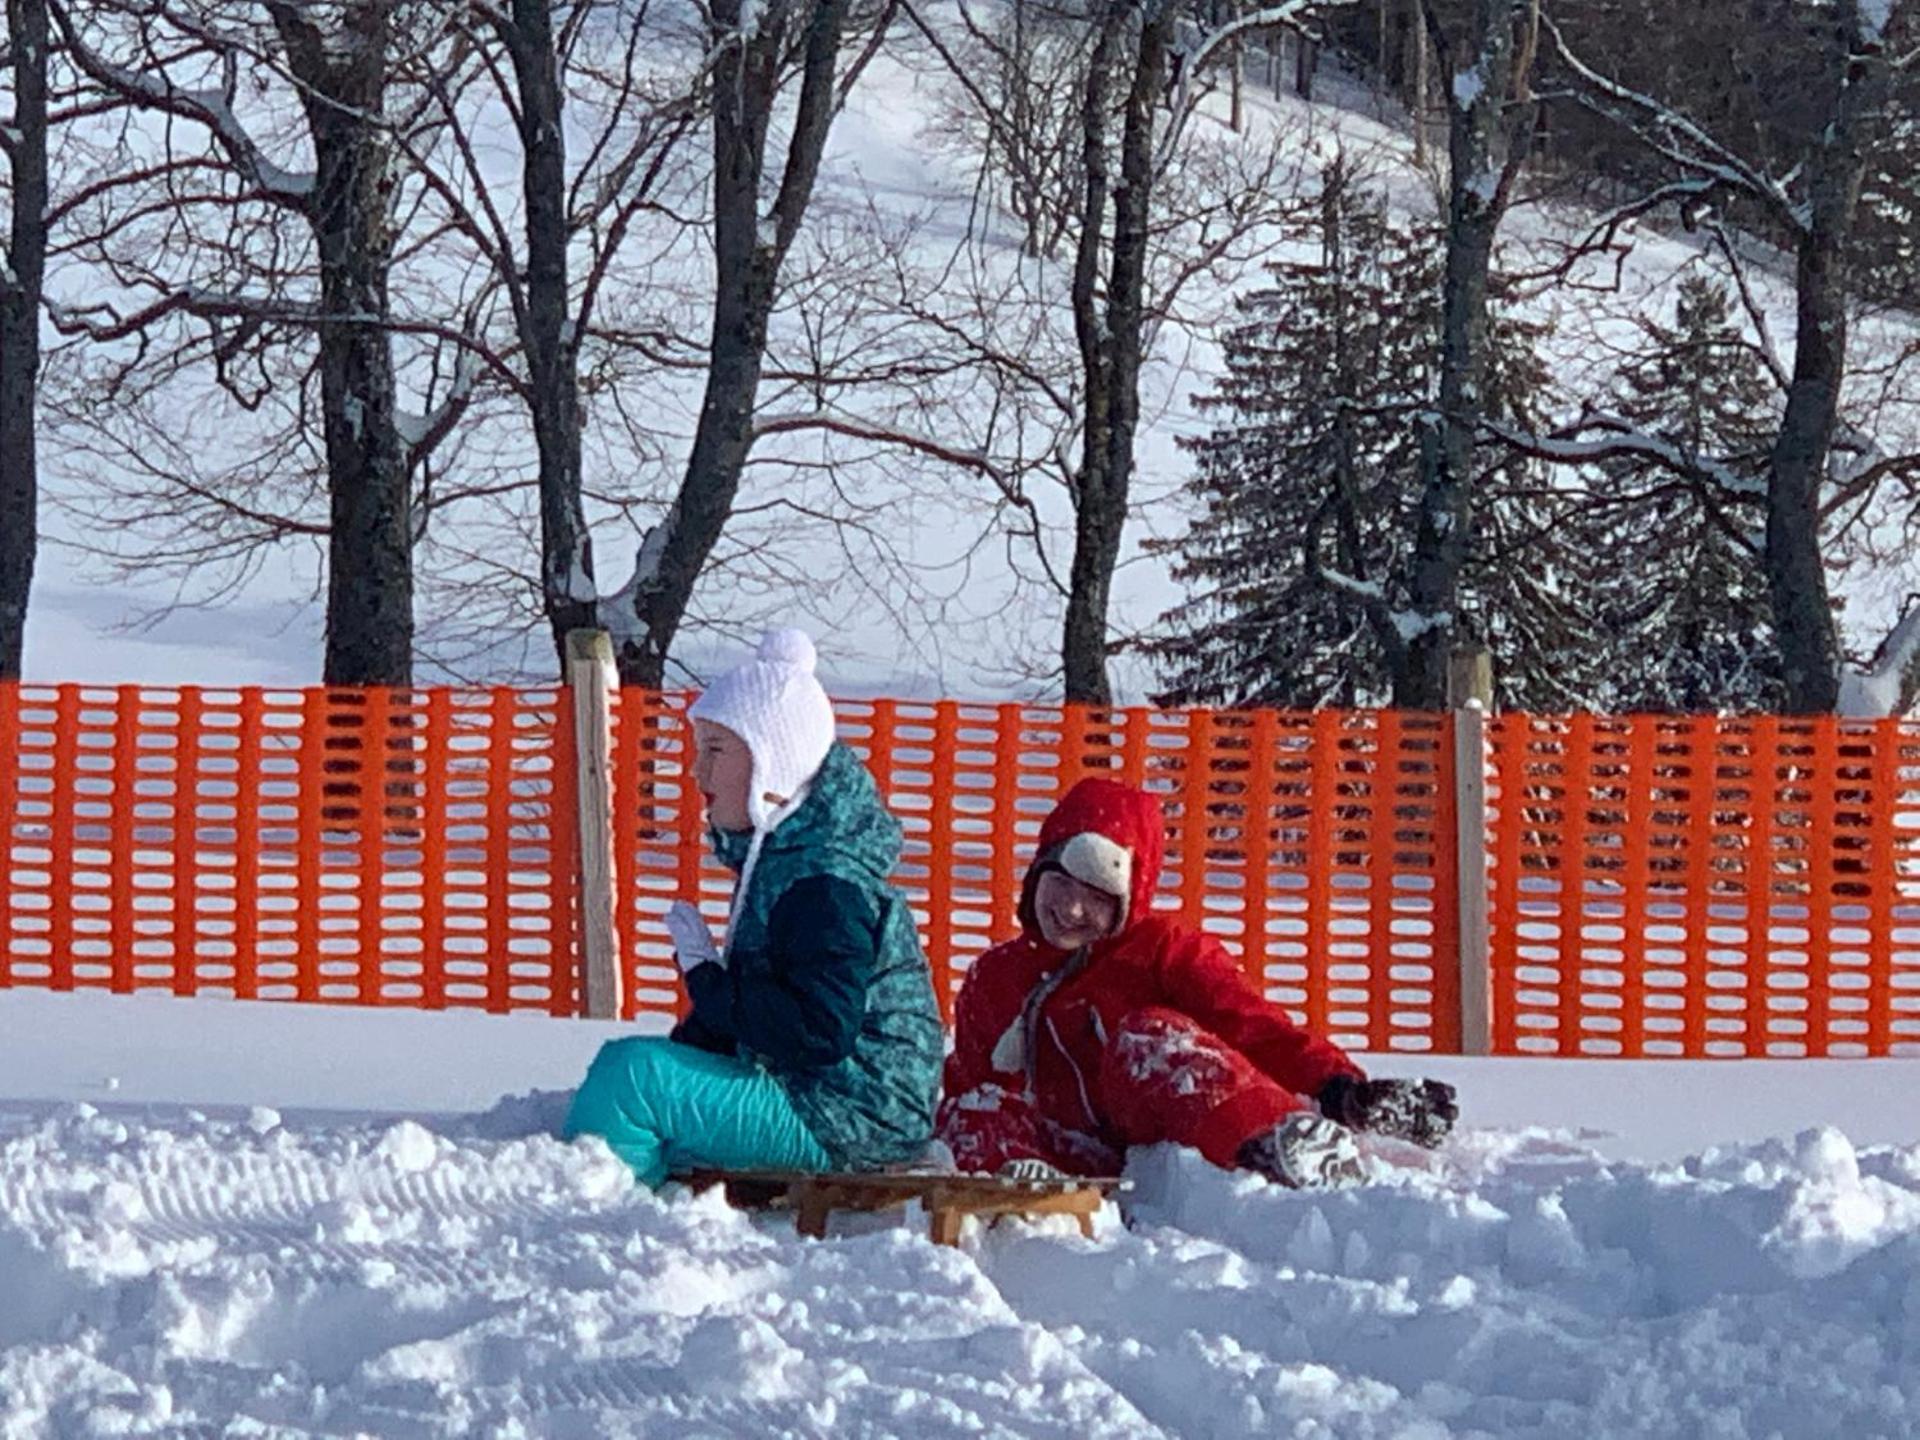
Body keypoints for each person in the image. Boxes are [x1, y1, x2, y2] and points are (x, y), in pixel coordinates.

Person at [938, 776, 1458, 1189]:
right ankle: (1022, 1191)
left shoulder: (1162, 950)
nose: (1072, 909)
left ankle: (1272, 1144)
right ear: (1036, 875)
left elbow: (1253, 1026)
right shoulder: (995, 978)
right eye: (1061, 884)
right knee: (972, 1107)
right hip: (1059, 1151)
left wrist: (1340, 1089)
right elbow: (972, 1083)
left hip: (1159, 1131)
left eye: (1097, 897)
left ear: (1126, 904)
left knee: (1149, 1036)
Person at [565, 629, 944, 1187]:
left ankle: (597, 1213)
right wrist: (696, 1046)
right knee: (642, 1076)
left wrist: (709, 984)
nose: (697, 772)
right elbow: (766, 1007)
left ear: (775, 763)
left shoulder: (824, 884)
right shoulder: (786, 864)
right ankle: (635, 1191)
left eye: (716, 750)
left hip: (852, 1116)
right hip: (826, 1100)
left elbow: (820, 1030)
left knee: (631, 1080)